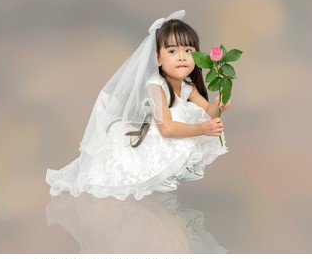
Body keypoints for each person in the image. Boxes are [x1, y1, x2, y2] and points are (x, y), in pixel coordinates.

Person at [46, 10, 230, 201]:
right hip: (151, 139)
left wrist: (218, 105)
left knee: (195, 114)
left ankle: (180, 166)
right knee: (184, 119)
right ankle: (158, 174)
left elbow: (207, 112)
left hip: (169, 133)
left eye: (188, 51)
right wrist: (201, 129)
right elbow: (166, 129)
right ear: (158, 58)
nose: (182, 57)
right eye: (172, 51)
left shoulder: (187, 86)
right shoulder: (156, 85)